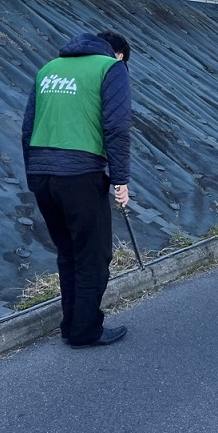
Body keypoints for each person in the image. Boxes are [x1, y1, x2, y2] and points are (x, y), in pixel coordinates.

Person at [22, 31, 132, 348]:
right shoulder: (111, 69)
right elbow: (117, 126)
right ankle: (85, 330)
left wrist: (33, 173)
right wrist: (120, 179)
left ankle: (70, 324)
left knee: (68, 252)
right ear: (119, 53)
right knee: (93, 255)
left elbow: (28, 126)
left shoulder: (49, 68)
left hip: (42, 173)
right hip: (80, 174)